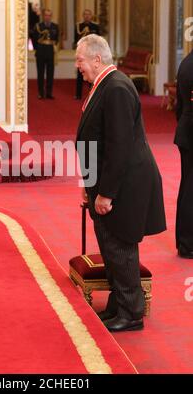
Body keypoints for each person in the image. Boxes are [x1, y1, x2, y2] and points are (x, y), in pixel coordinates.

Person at [75, 34, 166, 332]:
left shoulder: (115, 88)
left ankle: (131, 313)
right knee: (111, 246)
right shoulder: (104, 85)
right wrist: (88, 187)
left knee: (120, 246)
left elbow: (119, 146)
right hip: (105, 182)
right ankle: (119, 305)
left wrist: (105, 193)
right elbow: (91, 143)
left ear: (97, 59)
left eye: (80, 60)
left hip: (124, 185)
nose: (78, 67)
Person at [174, 49, 193, 259]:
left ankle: (184, 240)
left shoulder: (186, 62)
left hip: (186, 129)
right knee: (190, 188)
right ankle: (188, 243)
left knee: (187, 185)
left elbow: (179, 105)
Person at [32, 8, 59, 99]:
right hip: (40, 50)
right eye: (46, 15)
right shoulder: (38, 26)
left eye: (49, 15)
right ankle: (41, 93)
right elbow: (33, 38)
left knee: (50, 73)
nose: (47, 17)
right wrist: (37, 48)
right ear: (43, 16)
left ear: (51, 16)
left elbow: (57, 39)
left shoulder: (55, 26)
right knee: (40, 73)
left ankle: (49, 93)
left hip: (50, 51)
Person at [74, 9, 100, 100]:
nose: (87, 16)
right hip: (82, 54)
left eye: (88, 14)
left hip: (92, 54)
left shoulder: (95, 26)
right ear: (83, 15)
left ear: (91, 16)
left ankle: (92, 94)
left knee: (92, 73)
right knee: (80, 74)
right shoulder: (79, 26)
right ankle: (78, 95)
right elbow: (76, 41)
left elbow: (98, 41)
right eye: (85, 14)